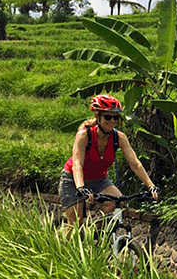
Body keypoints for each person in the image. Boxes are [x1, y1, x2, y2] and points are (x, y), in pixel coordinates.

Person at [59, 94, 159, 227]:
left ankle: (95, 233)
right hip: (73, 180)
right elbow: (77, 164)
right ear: (97, 116)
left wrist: (150, 185)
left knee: (119, 202)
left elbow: (135, 164)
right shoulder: (84, 135)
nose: (112, 121)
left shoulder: (119, 138)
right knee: (75, 225)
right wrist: (81, 187)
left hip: (99, 180)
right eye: (107, 117)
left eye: (115, 117)